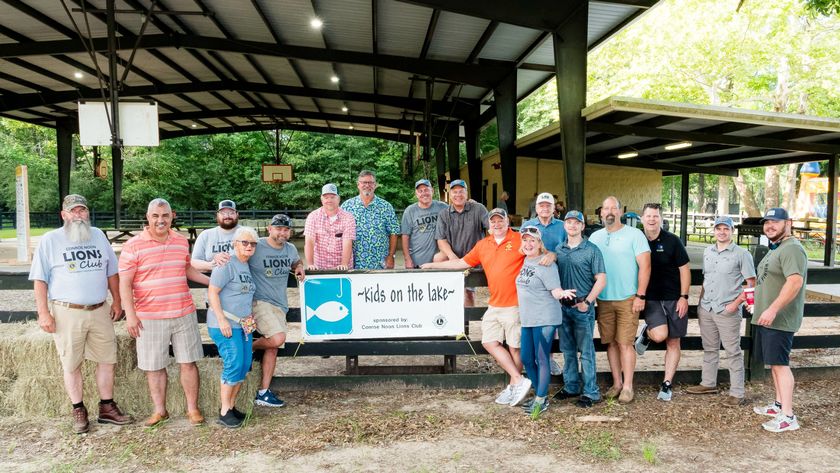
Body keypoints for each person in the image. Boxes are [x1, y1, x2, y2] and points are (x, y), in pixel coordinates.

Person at [424, 208, 553, 407]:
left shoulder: (519, 239)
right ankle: (518, 379)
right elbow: (462, 263)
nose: (497, 224)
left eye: (500, 220)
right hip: (494, 304)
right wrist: (432, 266)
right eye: (493, 222)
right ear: (488, 224)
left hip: (515, 304)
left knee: (515, 347)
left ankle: (513, 384)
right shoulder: (483, 244)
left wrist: (552, 255)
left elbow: (541, 251)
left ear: (507, 221)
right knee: (489, 341)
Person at [29, 194, 133, 433]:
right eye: (73, 211)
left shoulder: (98, 235)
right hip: (67, 312)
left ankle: (107, 407)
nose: (78, 215)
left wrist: (117, 300)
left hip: (99, 309)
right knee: (71, 363)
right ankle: (78, 408)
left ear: (87, 213)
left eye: (82, 211)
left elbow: (111, 272)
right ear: (64, 215)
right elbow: (40, 280)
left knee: (107, 359)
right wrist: (43, 312)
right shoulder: (50, 240)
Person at [119, 198, 210, 427]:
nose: (161, 220)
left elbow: (187, 268)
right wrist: (130, 314)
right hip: (149, 316)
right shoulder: (133, 245)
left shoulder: (180, 241)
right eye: (156, 216)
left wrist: (212, 282)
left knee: (188, 362)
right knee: (154, 365)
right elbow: (125, 283)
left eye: (165, 216)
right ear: (148, 217)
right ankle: (160, 410)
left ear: (173, 216)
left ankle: (192, 408)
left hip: (183, 312)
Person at [749, 208, 807, 433]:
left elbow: (794, 282)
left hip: (780, 318)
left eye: (775, 222)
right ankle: (778, 405)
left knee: (781, 365)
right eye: (767, 222)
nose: (769, 226)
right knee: (774, 363)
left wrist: (772, 309)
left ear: (788, 223)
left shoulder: (792, 248)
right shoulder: (778, 247)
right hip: (768, 317)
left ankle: (788, 416)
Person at [686, 216, 755, 405]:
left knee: (733, 351)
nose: (722, 232)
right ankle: (708, 383)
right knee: (709, 348)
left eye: (726, 228)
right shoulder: (708, 251)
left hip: (728, 309)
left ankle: (737, 393)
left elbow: (751, 284)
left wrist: (736, 304)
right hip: (707, 307)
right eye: (719, 228)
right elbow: (706, 280)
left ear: (732, 231)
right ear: (714, 230)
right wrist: (700, 304)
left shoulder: (742, 254)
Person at [588, 196, 651, 404]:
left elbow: (645, 267)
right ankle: (616, 383)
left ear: (620, 211)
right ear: (601, 213)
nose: (609, 212)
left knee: (625, 343)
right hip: (604, 299)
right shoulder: (595, 237)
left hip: (627, 298)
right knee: (611, 343)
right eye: (606, 208)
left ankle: (628, 386)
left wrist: (640, 295)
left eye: (613, 208)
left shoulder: (635, 235)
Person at [515, 225, 575, 417]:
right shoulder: (525, 260)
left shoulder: (546, 263)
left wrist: (562, 294)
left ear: (540, 244)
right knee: (526, 358)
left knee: (542, 358)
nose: (528, 243)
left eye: (533, 240)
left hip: (545, 318)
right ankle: (541, 394)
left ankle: (541, 398)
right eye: (525, 240)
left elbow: (555, 290)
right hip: (528, 319)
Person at [633, 203, 691, 401]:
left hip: (674, 298)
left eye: (655, 216)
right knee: (660, 335)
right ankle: (647, 334)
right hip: (651, 299)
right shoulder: (636, 240)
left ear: (660, 218)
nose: (651, 219)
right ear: (642, 219)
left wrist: (684, 297)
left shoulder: (672, 241)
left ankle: (667, 383)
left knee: (674, 341)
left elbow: (685, 270)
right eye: (648, 216)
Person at [249, 214, 305, 408]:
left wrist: (299, 267)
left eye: (286, 229)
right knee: (278, 338)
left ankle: (263, 392)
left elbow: (296, 262)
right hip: (259, 302)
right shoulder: (257, 246)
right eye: (278, 228)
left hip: (280, 305)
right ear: (269, 229)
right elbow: (238, 259)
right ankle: (246, 346)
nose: (282, 232)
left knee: (273, 347)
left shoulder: (289, 249)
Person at [552, 210, 607, 408]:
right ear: (564, 225)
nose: (573, 225)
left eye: (577, 222)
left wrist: (588, 302)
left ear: (583, 226)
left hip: (583, 307)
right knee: (567, 350)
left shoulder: (591, 249)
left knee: (586, 351)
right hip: (563, 308)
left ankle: (591, 392)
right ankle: (571, 386)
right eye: (569, 222)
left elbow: (601, 279)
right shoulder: (559, 249)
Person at [207, 227, 258, 428]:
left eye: (252, 244)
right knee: (234, 363)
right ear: (235, 244)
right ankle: (224, 411)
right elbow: (212, 293)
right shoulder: (226, 263)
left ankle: (231, 406)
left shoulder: (246, 265)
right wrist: (221, 320)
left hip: (244, 324)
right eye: (244, 243)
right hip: (227, 324)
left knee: (244, 364)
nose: (249, 246)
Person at [434, 179, 488, 306]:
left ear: (467, 193)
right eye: (455, 192)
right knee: (438, 259)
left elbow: (492, 229)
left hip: (474, 259)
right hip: (453, 257)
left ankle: (466, 325)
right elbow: (441, 240)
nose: (458, 195)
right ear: (450, 195)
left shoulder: (478, 208)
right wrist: (452, 257)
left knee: (469, 294)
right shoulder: (444, 214)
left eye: (461, 191)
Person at [340, 170, 400, 269]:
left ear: (375, 185)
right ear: (358, 185)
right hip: (353, 262)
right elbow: (339, 233)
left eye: (370, 182)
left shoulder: (386, 206)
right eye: (364, 182)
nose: (367, 185)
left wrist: (391, 256)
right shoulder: (347, 206)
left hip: (380, 262)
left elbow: (394, 232)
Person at [304, 183, 356, 270]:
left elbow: (348, 242)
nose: (329, 200)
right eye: (326, 197)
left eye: (332, 197)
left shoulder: (348, 217)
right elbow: (309, 242)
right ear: (321, 199)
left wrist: (344, 264)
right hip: (319, 267)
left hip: (342, 268)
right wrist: (310, 264)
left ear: (338, 199)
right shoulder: (312, 216)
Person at [401, 179, 448, 268]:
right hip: (418, 261)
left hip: (439, 261)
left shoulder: (443, 207)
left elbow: (458, 211)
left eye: (426, 190)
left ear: (432, 191)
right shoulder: (410, 211)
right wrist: (407, 258)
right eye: (420, 191)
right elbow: (405, 236)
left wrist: (470, 204)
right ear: (416, 194)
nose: (424, 193)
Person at [191, 200, 240, 272]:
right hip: (211, 278)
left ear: (237, 214)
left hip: (240, 278)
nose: (227, 216)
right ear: (217, 215)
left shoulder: (247, 233)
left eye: (231, 213)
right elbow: (194, 262)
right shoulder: (205, 235)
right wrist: (213, 264)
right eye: (223, 213)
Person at [523, 192, 567, 259]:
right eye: (541, 206)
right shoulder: (527, 225)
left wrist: (555, 255)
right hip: (532, 267)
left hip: (558, 267)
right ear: (536, 208)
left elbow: (569, 249)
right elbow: (520, 248)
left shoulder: (563, 226)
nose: (545, 209)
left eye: (548, 206)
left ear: (554, 208)